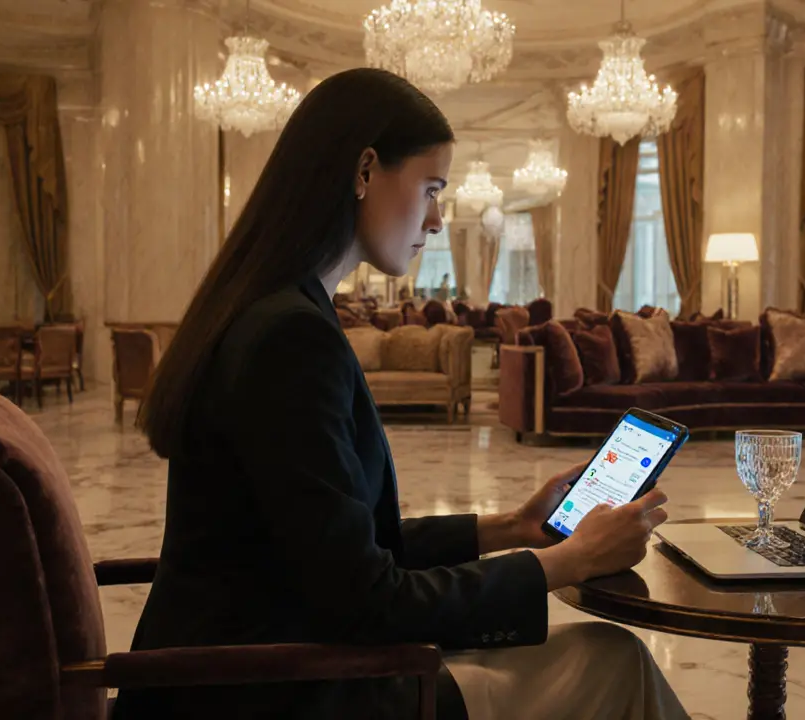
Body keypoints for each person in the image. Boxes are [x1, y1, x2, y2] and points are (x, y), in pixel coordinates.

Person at [114, 68, 687, 720]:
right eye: (431, 188)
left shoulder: (274, 310)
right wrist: (565, 559)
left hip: (241, 668)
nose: (440, 220)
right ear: (364, 171)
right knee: (613, 660)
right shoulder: (289, 338)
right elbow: (366, 601)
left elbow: (333, 549)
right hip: (267, 690)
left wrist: (509, 528)